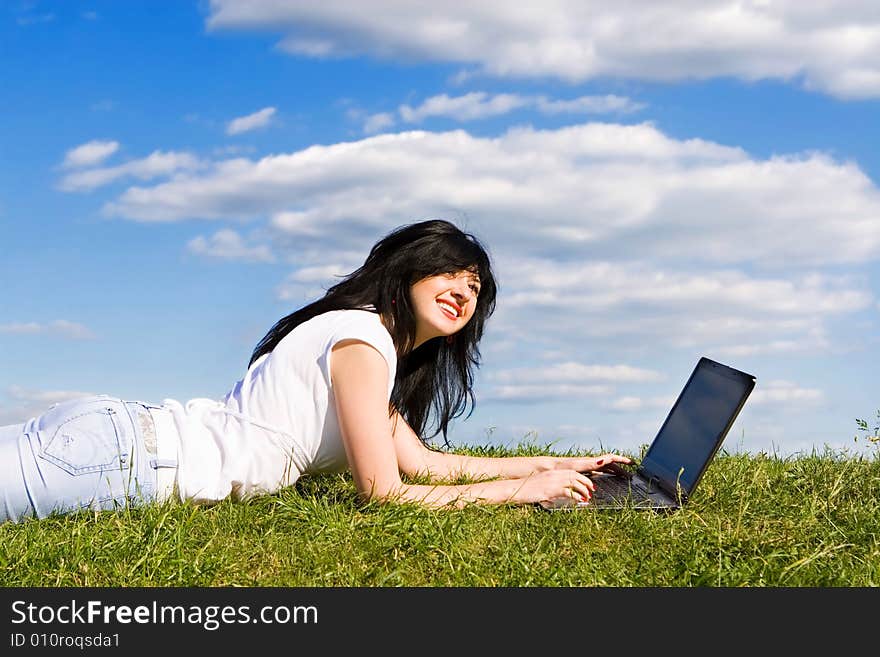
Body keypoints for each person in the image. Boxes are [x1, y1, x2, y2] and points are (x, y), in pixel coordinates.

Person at [0, 219, 630, 523]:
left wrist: (558, 468)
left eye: (476, 288)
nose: (463, 294)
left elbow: (427, 465)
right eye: (450, 275)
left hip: (116, 443)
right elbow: (383, 494)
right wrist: (518, 493)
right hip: (126, 460)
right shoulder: (362, 341)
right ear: (408, 273)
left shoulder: (370, 349)